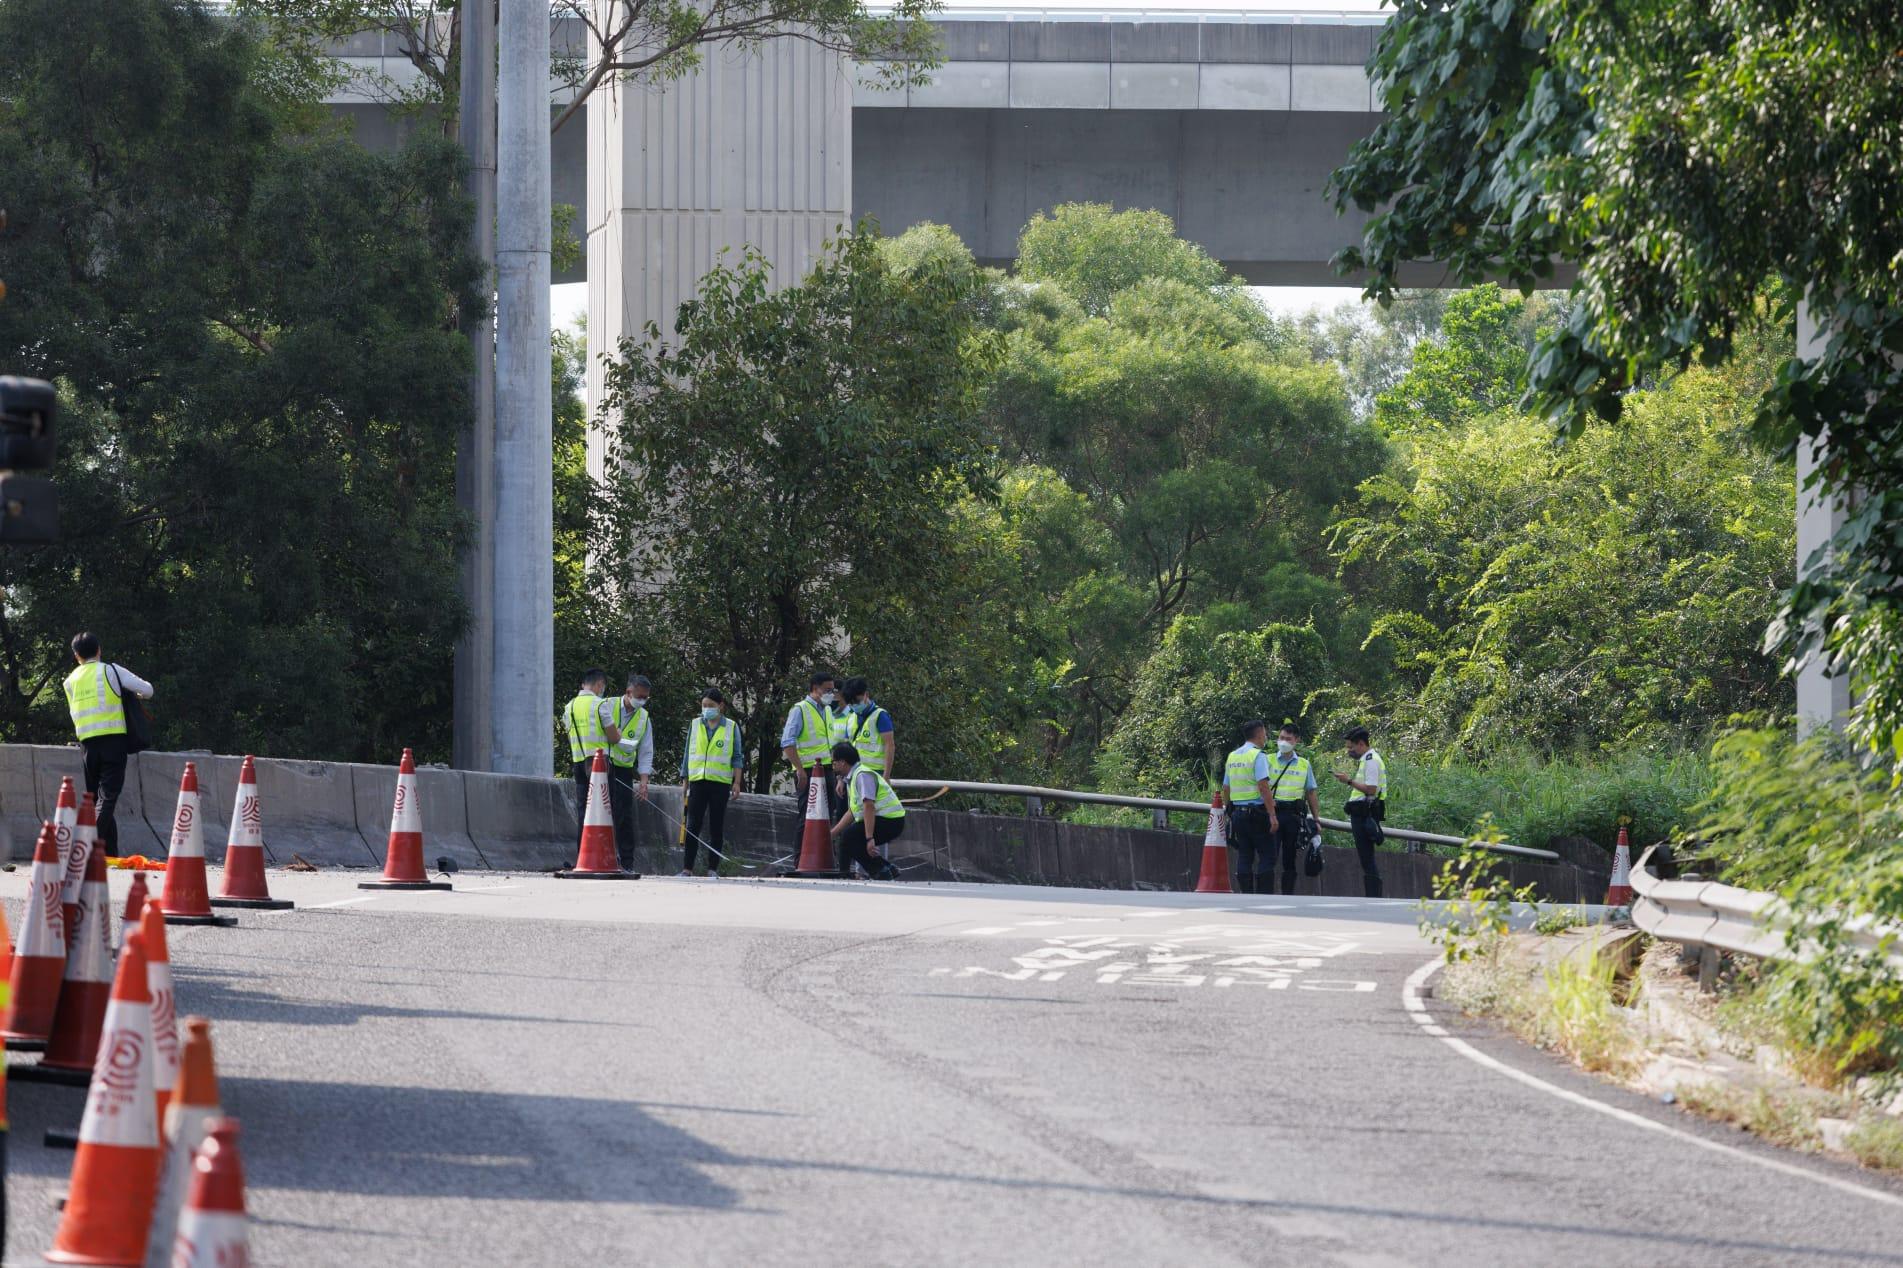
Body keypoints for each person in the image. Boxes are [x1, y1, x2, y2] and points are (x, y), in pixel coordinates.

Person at [63, 633, 153, 856]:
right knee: (108, 797)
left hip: (87, 746)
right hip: (113, 741)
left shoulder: (69, 681)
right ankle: (86, 844)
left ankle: (109, 853)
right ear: (99, 650)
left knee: (97, 798)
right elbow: (148, 690)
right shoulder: (110, 670)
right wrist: (134, 695)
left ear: (76, 656)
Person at [679, 689, 743, 876]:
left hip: (720, 783)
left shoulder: (731, 727)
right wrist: (685, 779)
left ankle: (712, 869)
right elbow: (687, 753)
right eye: (704, 705)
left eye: (711, 706)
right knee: (692, 826)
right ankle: (687, 868)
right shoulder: (696, 724)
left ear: (720, 706)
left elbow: (737, 757)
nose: (706, 709)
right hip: (698, 781)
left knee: (717, 826)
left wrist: (736, 782)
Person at [561, 668, 620, 851]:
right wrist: (617, 734)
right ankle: (604, 853)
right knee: (605, 809)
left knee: (583, 811)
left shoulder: (569, 706)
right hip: (599, 764)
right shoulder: (599, 704)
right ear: (599, 684)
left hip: (578, 763)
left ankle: (583, 853)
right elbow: (613, 737)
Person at [828, 741, 901, 880]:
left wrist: (869, 839)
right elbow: (852, 812)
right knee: (848, 836)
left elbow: (869, 806)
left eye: (834, 762)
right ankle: (885, 868)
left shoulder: (862, 775)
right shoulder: (853, 777)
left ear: (843, 762)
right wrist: (832, 834)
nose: (833, 766)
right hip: (885, 819)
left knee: (849, 837)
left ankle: (877, 871)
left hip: (891, 821)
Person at [780, 669, 838, 844]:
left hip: (828, 769)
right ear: (814, 688)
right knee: (807, 815)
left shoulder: (827, 710)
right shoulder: (800, 709)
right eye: (827, 690)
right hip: (808, 771)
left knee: (828, 815)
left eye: (832, 690)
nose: (830, 694)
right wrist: (799, 770)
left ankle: (823, 856)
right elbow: (787, 743)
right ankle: (801, 860)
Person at [1222, 720, 1279, 894]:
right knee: (1267, 854)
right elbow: (1263, 786)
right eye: (1265, 733)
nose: (1266, 737)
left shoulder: (1233, 756)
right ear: (1260, 733)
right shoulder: (1257, 755)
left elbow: (1226, 787)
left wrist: (1228, 810)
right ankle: (1264, 896)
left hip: (1238, 813)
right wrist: (1272, 815)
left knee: (1245, 854)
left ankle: (1246, 894)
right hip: (1257, 814)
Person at [1333, 726, 1388, 898]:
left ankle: (1374, 897)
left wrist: (1348, 781)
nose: (1349, 751)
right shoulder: (1369, 759)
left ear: (1362, 744)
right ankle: (1373, 896)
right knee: (1366, 857)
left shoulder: (1371, 760)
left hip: (1365, 814)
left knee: (1367, 857)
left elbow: (1371, 789)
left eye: (1351, 747)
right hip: (1364, 812)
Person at [606, 674, 655, 872]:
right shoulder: (606, 706)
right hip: (602, 767)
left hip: (624, 770)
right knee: (601, 814)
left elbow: (646, 751)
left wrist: (643, 781)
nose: (642, 701)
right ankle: (605, 857)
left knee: (624, 816)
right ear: (628, 692)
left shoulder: (643, 717)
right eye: (639, 696)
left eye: (646, 698)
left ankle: (627, 862)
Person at [1267, 721, 1322, 896]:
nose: (1283, 741)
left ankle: (1287, 895)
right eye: (1281, 737)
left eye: (1288, 739)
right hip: (1272, 815)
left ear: (1296, 741)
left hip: (1293, 817)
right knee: (1269, 855)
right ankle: (1265, 894)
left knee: (1289, 858)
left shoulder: (1304, 764)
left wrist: (1316, 819)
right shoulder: (1267, 760)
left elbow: (1311, 793)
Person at [839, 677, 896, 775]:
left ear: (866, 695)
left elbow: (889, 745)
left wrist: (886, 776)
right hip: (854, 772)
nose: (854, 705)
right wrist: (841, 777)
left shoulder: (880, 715)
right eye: (851, 703)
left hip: (875, 772)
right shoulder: (851, 717)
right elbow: (846, 748)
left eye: (857, 702)